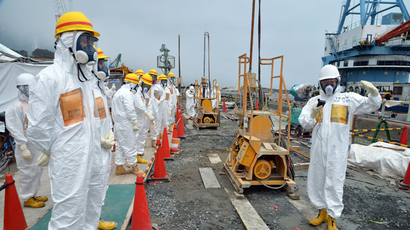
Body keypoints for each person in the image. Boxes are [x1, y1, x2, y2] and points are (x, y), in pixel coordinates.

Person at [27, 11, 104, 229]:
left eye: (92, 41)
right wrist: (53, 150)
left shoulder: (86, 80)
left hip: (93, 156)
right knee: (68, 215)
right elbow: (37, 126)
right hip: (69, 160)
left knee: (92, 206)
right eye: (85, 40)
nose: (90, 47)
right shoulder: (50, 78)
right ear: (68, 40)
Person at [298, 65, 381, 230]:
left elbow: (372, 105)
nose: (329, 85)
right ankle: (321, 213)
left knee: (335, 183)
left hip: (338, 151)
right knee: (317, 180)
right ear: (320, 84)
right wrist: (313, 114)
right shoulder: (314, 101)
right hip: (319, 150)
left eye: (332, 81)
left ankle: (332, 219)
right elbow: (304, 123)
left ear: (337, 82)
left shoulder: (347, 99)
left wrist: (374, 93)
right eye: (325, 82)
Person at [5, 73, 48, 208]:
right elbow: (15, 128)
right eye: (26, 88)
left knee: (37, 170)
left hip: (35, 144)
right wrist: (23, 147)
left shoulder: (33, 105)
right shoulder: (16, 107)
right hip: (26, 145)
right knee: (27, 172)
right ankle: (27, 197)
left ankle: (34, 194)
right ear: (20, 89)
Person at [94, 48, 117, 230]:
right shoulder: (90, 89)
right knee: (93, 186)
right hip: (94, 147)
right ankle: (93, 220)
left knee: (101, 183)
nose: (104, 67)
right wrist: (98, 139)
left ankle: (95, 219)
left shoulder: (99, 88)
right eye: (101, 63)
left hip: (103, 145)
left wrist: (108, 131)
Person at [111, 74, 144, 175]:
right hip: (126, 123)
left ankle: (119, 167)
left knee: (120, 146)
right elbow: (130, 109)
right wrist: (134, 121)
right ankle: (134, 167)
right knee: (130, 144)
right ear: (132, 84)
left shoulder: (118, 93)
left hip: (118, 124)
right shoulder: (127, 94)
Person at [134, 74, 156, 161]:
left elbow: (149, 105)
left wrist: (150, 117)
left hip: (143, 119)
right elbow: (139, 105)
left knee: (142, 136)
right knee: (135, 138)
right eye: (146, 85)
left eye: (149, 86)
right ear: (142, 83)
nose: (147, 87)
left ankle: (139, 155)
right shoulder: (137, 92)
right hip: (136, 119)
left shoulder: (145, 93)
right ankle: (132, 158)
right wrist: (148, 114)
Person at [148, 69, 161, 147]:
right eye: (151, 76)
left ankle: (153, 140)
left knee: (154, 124)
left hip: (155, 108)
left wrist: (159, 101)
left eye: (154, 76)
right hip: (147, 109)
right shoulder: (146, 86)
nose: (152, 78)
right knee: (144, 126)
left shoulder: (157, 87)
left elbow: (161, 95)